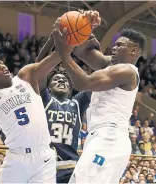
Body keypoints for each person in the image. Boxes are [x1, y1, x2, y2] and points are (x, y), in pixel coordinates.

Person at [0, 17, 65, 183]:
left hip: (43, 157)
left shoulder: (25, 77)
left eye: (1, 62)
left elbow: (52, 58)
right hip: (16, 159)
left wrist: (58, 38)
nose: (2, 66)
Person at [52, 10, 146, 183]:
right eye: (115, 45)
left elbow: (83, 83)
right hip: (99, 136)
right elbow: (82, 52)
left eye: (120, 45)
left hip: (109, 137)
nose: (114, 47)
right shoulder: (111, 65)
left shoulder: (127, 71)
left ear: (133, 51)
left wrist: (63, 53)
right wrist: (86, 27)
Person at [35, 33, 91, 183]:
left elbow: (92, 81)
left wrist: (89, 49)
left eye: (65, 80)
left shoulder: (77, 103)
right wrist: (52, 39)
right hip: (45, 165)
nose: (61, 80)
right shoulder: (45, 98)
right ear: (48, 87)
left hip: (70, 166)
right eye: (56, 79)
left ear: (71, 88)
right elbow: (38, 68)